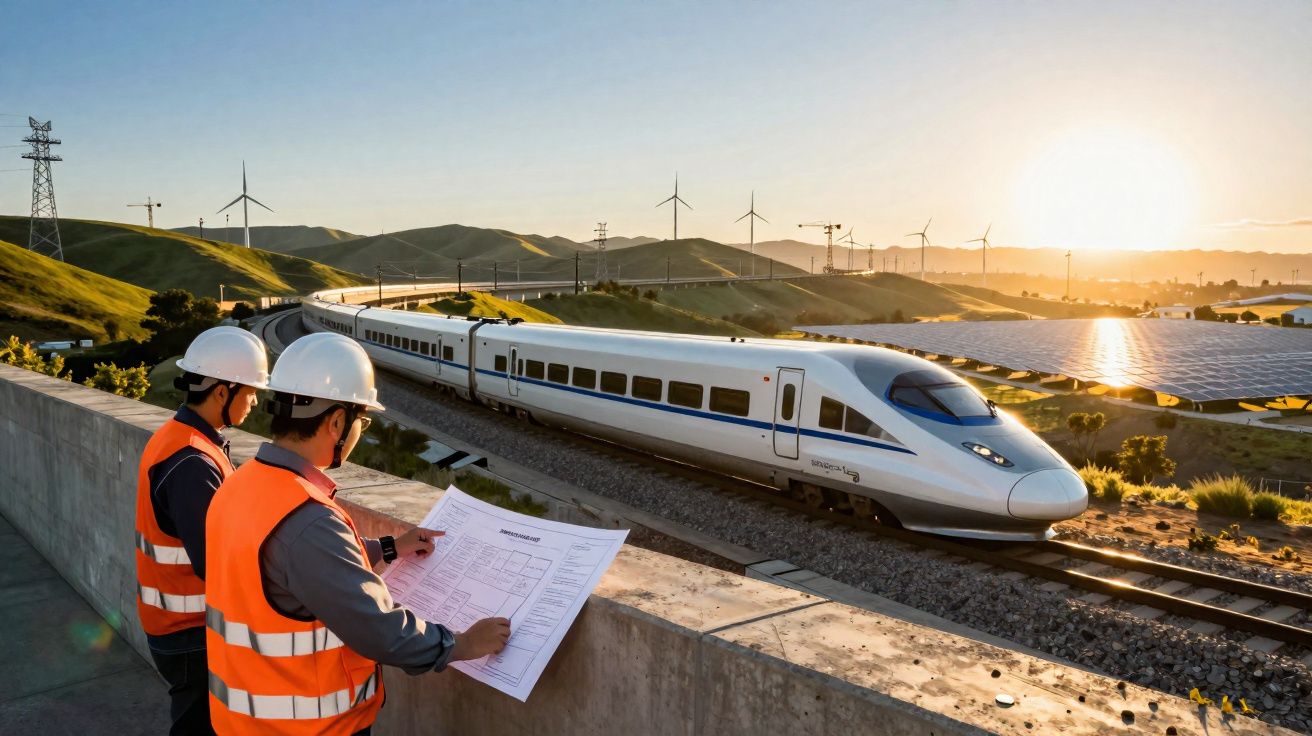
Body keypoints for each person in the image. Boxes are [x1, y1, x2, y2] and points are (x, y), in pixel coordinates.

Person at [204, 332, 510, 735]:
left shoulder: (241, 485)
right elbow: (381, 631)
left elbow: (291, 565)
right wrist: (462, 644)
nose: (359, 431)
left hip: (243, 718)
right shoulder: (308, 520)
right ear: (336, 422)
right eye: (361, 421)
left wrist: (386, 547)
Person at [134, 326, 270, 735]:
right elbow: (219, 563)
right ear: (222, 392)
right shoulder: (192, 463)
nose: (255, 400)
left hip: (175, 627)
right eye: (249, 390)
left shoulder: (181, 438)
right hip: (190, 634)